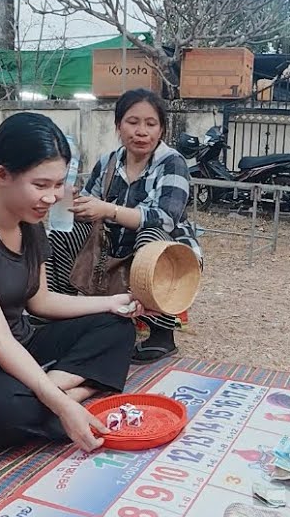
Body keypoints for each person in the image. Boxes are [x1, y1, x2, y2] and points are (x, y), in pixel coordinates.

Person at [0, 112, 139, 453]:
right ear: (2, 175)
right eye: (41, 185)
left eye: (58, 184)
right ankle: (67, 395)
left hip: (23, 345)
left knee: (118, 328)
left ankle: (52, 394)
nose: (53, 197)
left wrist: (112, 301)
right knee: (6, 411)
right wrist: (63, 402)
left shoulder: (31, 224)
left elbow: (41, 302)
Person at [45, 88, 202, 365]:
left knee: (151, 236)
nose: (141, 131)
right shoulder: (108, 162)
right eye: (133, 122)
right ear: (118, 126)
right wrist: (71, 202)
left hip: (164, 255)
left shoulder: (172, 163)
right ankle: (58, 313)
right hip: (112, 248)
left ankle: (162, 334)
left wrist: (107, 209)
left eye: (150, 124)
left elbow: (165, 217)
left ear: (161, 129)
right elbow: (91, 206)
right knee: (60, 231)